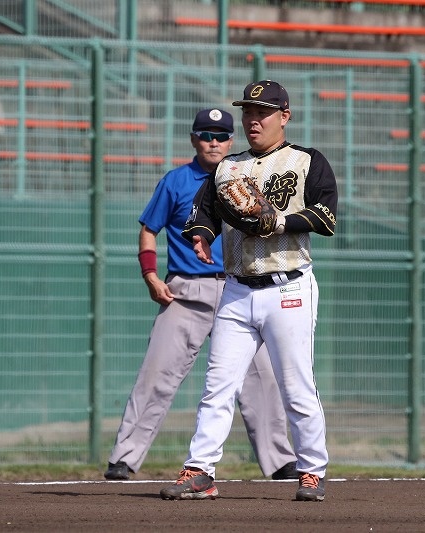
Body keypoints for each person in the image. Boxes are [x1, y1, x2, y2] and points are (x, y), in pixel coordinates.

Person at [161, 80, 338, 502]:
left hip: (288, 287)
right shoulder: (228, 166)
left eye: (262, 112)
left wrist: (279, 221)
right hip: (237, 290)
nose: (253, 120)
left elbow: (325, 216)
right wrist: (202, 235)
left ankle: (312, 471)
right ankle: (200, 470)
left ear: (284, 116)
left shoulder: (307, 161)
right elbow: (204, 211)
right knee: (218, 386)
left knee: (295, 386)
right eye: (248, 112)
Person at [104, 108, 299, 481]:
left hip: (240, 289)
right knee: (156, 375)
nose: (214, 142)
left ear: (231, 140)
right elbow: (149, 230)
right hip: (186, 293)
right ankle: (124, 458)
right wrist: (150, 275)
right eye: (206, 135)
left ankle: (279, 461)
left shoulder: (247, 176)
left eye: (221, 136)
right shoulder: (176, 181)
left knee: (262, 380)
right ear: (194, 139)